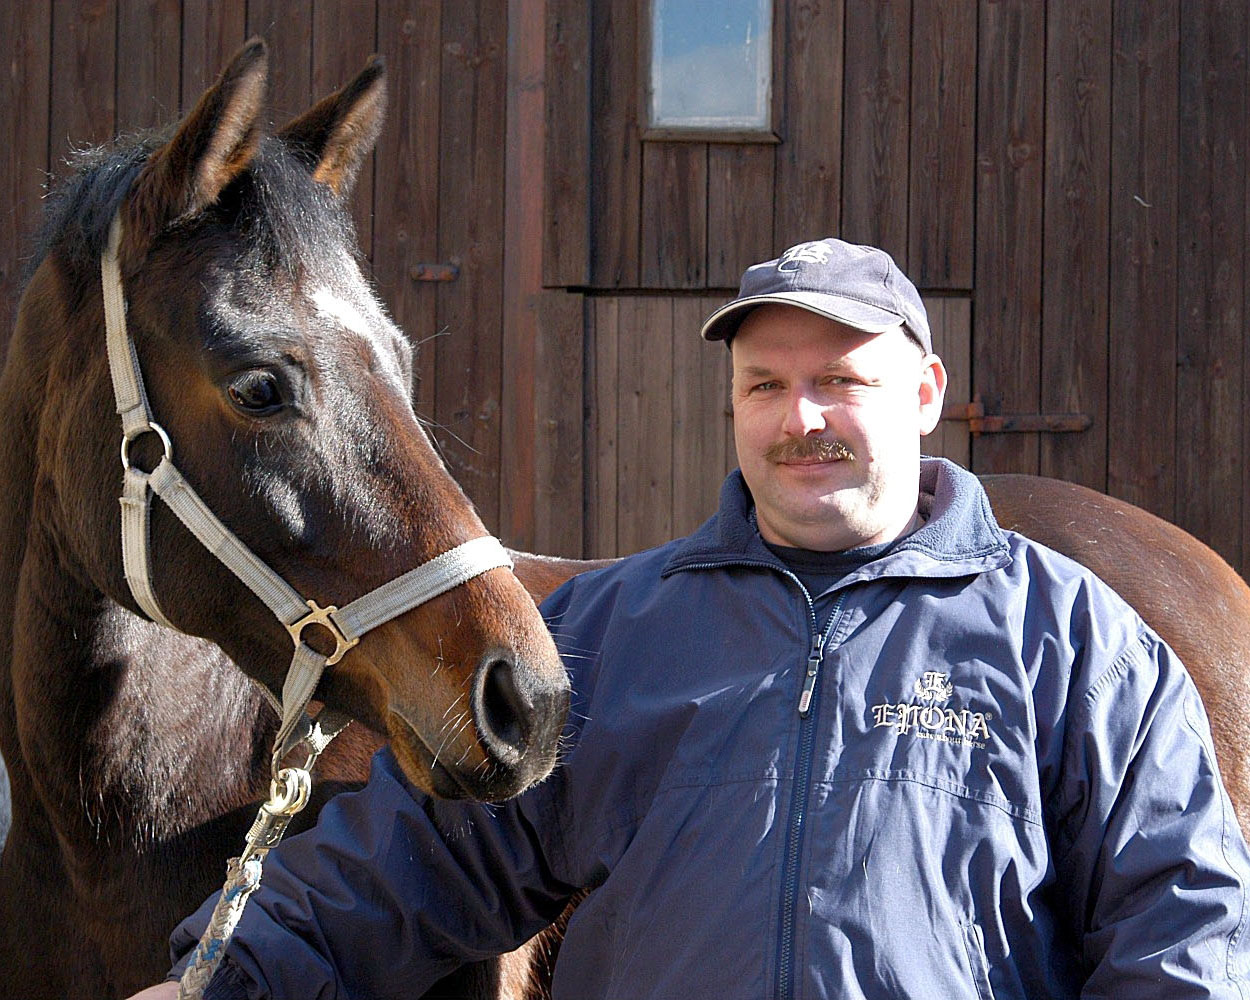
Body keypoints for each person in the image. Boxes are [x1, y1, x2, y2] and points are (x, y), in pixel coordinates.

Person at [132, 239, 1250, 999]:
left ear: (922, 394)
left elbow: (1181, 921)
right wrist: (217, 979)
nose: (799, 417)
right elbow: (409, 862)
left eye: (840, 380)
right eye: (764, 385)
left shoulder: (1072, 643)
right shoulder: (612, 635)